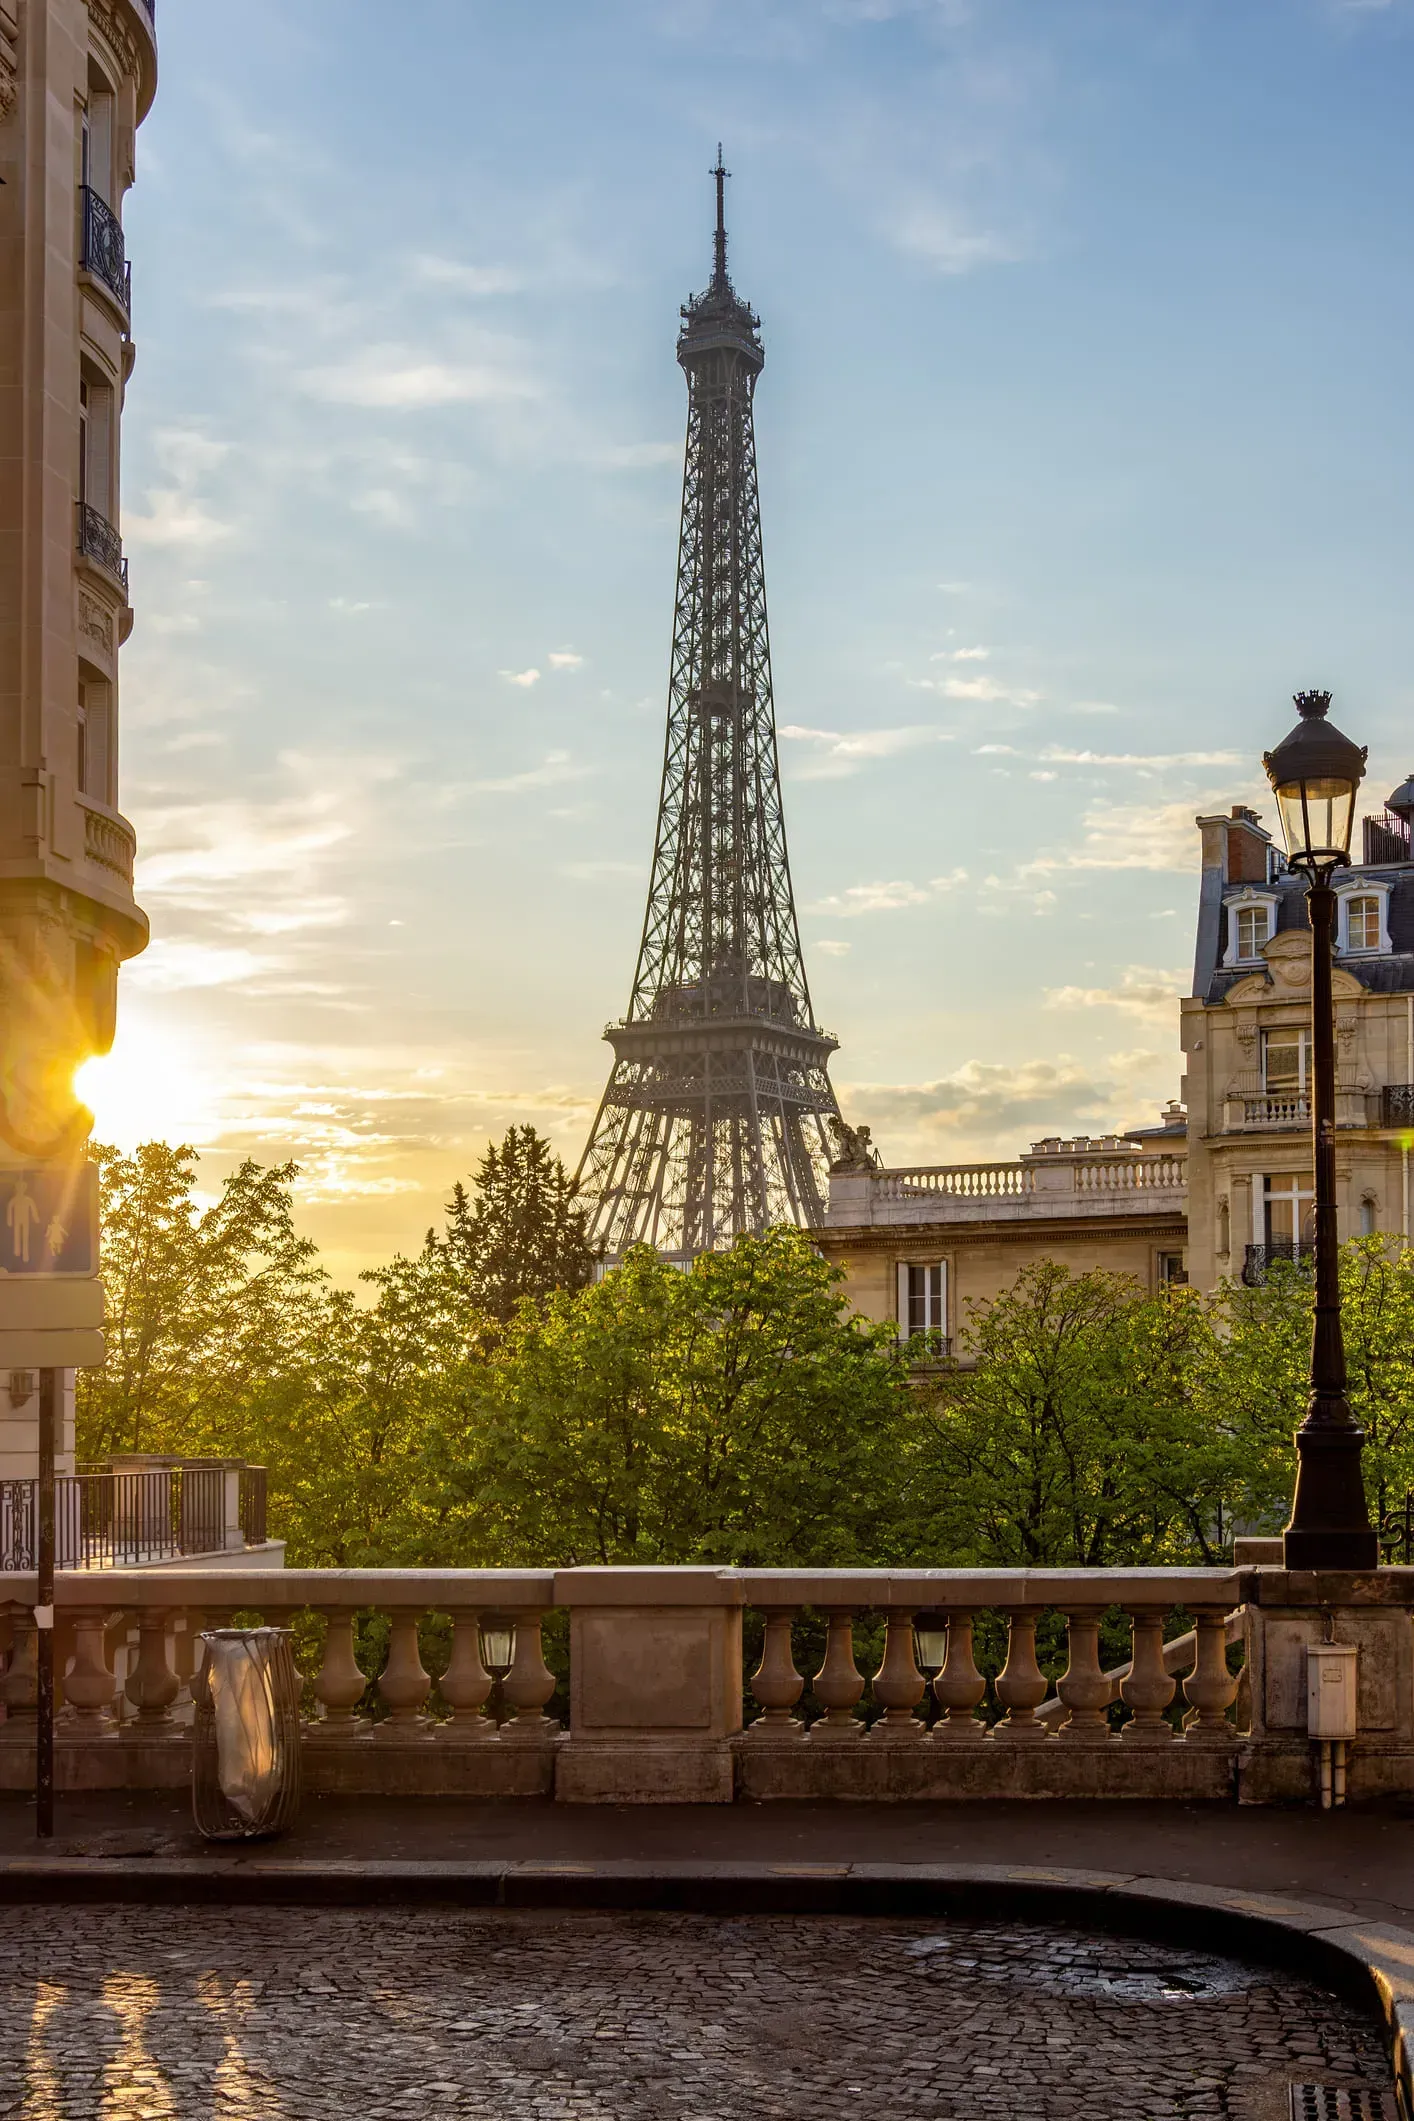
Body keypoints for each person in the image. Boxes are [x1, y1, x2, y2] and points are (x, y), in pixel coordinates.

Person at [5, 1176, 40, 1266]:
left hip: (25, 1220)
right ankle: (17, 1251)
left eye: (22, 1188)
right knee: (17, 1235)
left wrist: (36, 1218)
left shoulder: (28, 1200)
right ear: (16, 1189)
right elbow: (9, 1208)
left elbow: (33, 1208)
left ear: (25, 1188)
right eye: (19, 1188)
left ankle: (25, 1253)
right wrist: (9, 1220)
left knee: (25, 1236)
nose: (20, 1190)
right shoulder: (14, 1200)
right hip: (17, 1220)